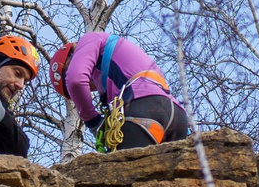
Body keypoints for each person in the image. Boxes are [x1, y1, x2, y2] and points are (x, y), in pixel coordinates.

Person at [52, 31, 193, 151]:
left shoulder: (90, 39)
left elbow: (75, 80)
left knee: (119, 179)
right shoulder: (122, 60)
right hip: (177, 118)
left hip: (143, 109)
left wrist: (93, 122)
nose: (89, 88)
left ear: (70, 62)